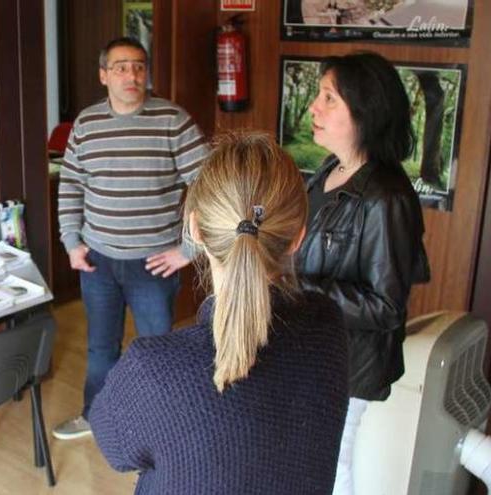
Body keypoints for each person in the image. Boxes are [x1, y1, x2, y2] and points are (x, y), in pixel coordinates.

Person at [90, 133, 349, 494]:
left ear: (195, 230)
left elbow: (115, 448)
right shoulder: (329, 326)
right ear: (298, 237)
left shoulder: (154, 370)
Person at [53, 37, 211, 439]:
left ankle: (161, 428)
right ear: (103, 75)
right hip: (97, 262)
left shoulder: (172, 120)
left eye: (139, 66)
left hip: (154, 263)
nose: (132, 75)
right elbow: (71, 185)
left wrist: (188, 249)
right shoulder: (86, 125)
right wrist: (71, 242)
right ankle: (96, 417)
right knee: (101, 349)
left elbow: (211, 185)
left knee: (158, 351)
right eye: (121, 67)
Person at [295, 51, 431, 495]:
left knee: (331, 469)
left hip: (349, 364)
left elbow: (386, 305)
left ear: (365, 111)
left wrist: (294, 283)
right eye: (319, 95)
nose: (314, 107)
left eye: (329, 98)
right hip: (317, 349)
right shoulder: (332, 170)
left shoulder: (385, 197)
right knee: (314, 460)